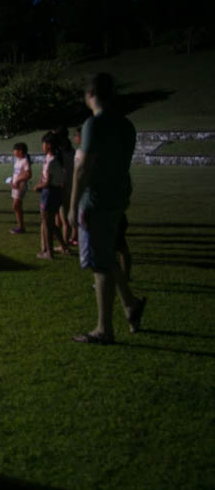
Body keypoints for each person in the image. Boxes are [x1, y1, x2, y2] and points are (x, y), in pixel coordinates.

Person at [68, 73, 145, 345]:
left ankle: (104, 329)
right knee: (106, 253)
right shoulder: (127, 126)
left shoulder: (94, 124)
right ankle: (130, 304)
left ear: (90, 95)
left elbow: (82, 167)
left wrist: (73, 204)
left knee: (99, 264)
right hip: (118, 198)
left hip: (96, 200)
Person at [33, 133, 69, 259]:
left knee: (47, 223)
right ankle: (64, 247)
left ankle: (49, 252)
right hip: (55, 191)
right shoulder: (51, 158)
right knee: (51, 223)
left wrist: (38, 186)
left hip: (49, 192)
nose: (42, 146)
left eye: (43, 143)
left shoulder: (52, 160)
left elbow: (48, 181)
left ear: (48, 145)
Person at [10, 142, 32, 234]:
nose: (13, 152)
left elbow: (29, 174)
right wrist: (12, 180)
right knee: (17, 206)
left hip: (20, 187)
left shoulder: (25, 161)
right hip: (15, 186)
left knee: (16, 206)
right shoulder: (18, 160)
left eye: (15, 150)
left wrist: (18, 181)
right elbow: (17, 173)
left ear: (20, 151)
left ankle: (21, 227)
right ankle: (21, 226)